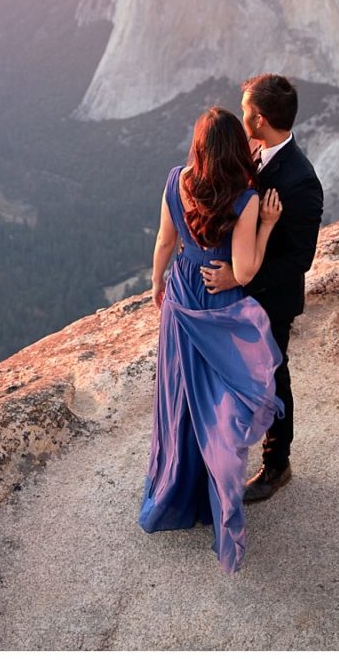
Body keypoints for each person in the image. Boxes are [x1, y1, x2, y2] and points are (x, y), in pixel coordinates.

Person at [137, 106, 285, 574]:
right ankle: (219, 490)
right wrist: (266, 226)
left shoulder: (175, 179)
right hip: (219, 308)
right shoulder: (245, 199)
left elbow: (164, 240)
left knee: (180, 397)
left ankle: (175, 490)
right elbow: (242, 271)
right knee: (220, 403)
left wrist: (158, 282)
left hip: (182, 295)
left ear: (198, 148)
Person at [202, 73, 325, 502]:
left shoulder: (300, 180)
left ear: (259, 117)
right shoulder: (253, 151)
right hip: (242, 295)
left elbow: (300, 259)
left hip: (271, 302)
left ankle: (277, 465)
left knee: (272, 379)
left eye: (245, 108)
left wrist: (241, 276)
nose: (241, 114)